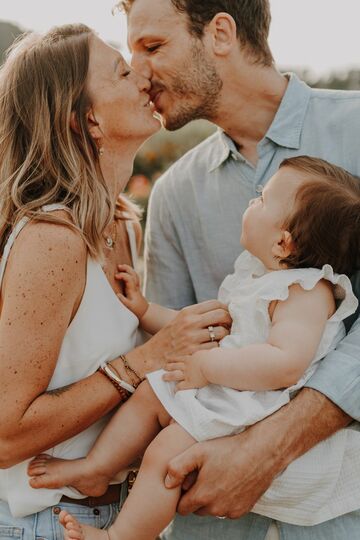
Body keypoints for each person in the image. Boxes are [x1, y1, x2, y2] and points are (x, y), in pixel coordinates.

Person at [118, 0, 360, 538]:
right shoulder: (176, 192)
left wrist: (267, 449)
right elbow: (178, 351)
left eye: (152, 46)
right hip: (207, 514)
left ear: (221, 33)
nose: (136, 70)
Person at [27, 156, 360, 540]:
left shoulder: (305, 291)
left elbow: (285, 363)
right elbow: (206, 330)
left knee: (167, 453)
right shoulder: (258, 277)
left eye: (263, 200)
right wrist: (146, 310)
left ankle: (120, 536)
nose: (253, 202)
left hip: (253, 408)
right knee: (151, 391)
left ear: (282, 241)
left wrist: (208, 368)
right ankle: (99, 468)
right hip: (224, 387)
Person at [0, 23, 231, 538]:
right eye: (122, 72)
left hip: (120, 519)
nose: (144, 78)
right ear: (85, 121)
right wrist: (146, 359)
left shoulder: (121, 225)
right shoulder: (51, 239)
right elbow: (5, 435)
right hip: (47, 522)